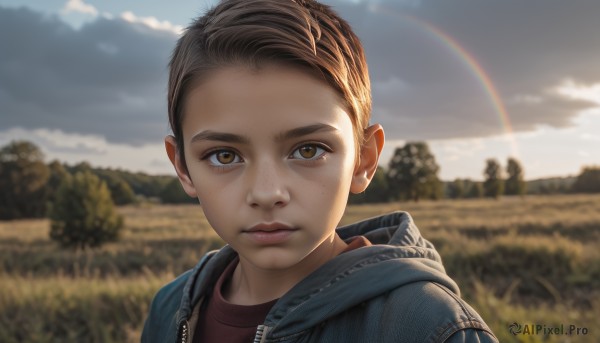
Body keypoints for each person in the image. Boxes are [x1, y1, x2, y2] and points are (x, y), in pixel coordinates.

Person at [141, 0, 498, 342]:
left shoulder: (431, 328)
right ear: (183, 167)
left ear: (364, 159)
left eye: (307, 150)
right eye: (224, 156)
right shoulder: (169, 308)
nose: (267, 193)